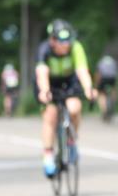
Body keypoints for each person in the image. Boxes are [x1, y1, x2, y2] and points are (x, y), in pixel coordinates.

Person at [35, 19, 94, 178]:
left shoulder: (76, 48)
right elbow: (42, 72)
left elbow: (82, 70)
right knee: (50, 116)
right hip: (49, 83)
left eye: (68, 40)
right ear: (52, 40)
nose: (66, 44)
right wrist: (44, 91)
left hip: (69, 82)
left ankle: (71, 141)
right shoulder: (44, 50)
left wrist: (88, 88)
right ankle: (48, 155)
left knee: (75, 108)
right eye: (61, 41)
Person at [94, 54, 118, 119]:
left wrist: (96, 85)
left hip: (103, 78)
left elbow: (98, 74)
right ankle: (113, 102)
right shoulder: (113, 62)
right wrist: (115, 86)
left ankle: (104, 110)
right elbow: (116, 73)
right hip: (112, 78)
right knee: (114, 89)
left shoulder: (101, 62)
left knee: (101, 94)